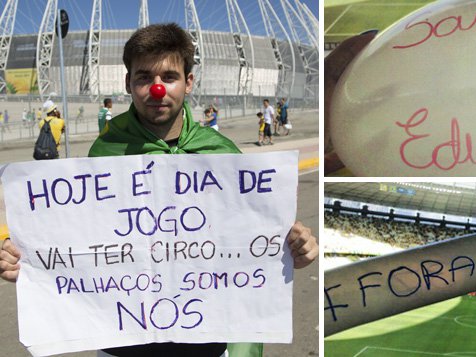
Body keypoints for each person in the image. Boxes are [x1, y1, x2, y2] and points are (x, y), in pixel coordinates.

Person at [2, 23, 319, 357]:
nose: (157, 90)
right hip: (123, 347)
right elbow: (70, 243)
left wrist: (295, 249)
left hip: (205, 347)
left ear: (189, 82)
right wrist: (24, 257)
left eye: (169, 77)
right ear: (128, 83)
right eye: (144, 78)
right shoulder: (106, 153)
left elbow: (251, 242)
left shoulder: (222, 155)